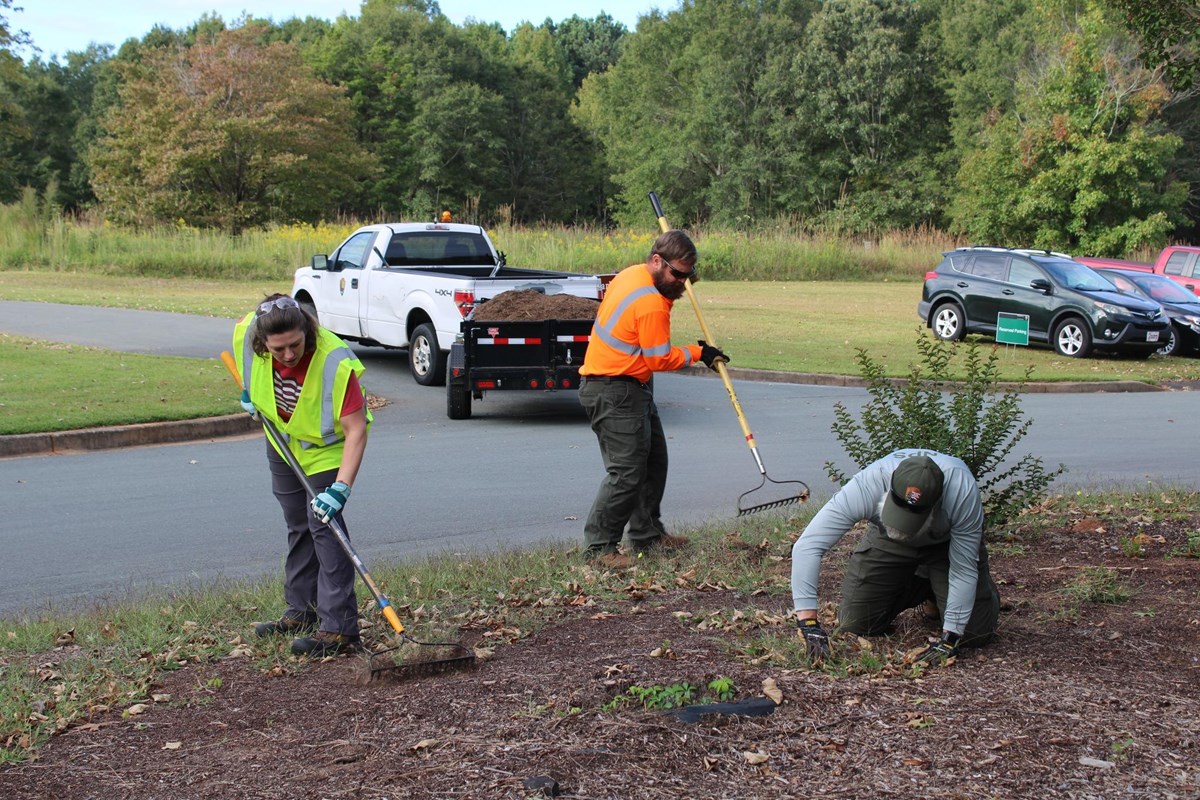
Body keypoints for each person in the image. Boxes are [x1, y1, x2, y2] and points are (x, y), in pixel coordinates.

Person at [577, 229, 728, 569]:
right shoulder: (650, 303)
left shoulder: (632, 274)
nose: (683, 283)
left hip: (630, 385)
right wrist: (698, 352)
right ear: (657, 261)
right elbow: (659, 358)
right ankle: (598, 549)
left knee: (654, 462)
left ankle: (647, 534)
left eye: (689, 277)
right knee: (627, 473)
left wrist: (673, 290)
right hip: (613, 390)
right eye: (678, 274)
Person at [232, 293, 372, 657]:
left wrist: (340, 488)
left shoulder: (334, 362)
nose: (289, 355)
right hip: (282, 444)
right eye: (279, 350)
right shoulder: (249, 335)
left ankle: (340, 630)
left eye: (295, 345)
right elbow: (247, 367)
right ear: (263, 342)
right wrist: (250, 396)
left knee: (326, 529)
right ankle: (301, 612)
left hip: (326, 452)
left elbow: (357, 429)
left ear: (307, 331)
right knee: (298, 524)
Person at [790, 449, 1001, 664]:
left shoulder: (962, 490)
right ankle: (927, 587)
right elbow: (807, 546)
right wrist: (809, 626)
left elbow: (963, 569)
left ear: (937, 502)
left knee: (973, 634)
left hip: (945, 546)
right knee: (856, 624)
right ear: (889, 487)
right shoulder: (868, 483)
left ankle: (961, 591)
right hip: (888, 539)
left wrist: (950, 637)